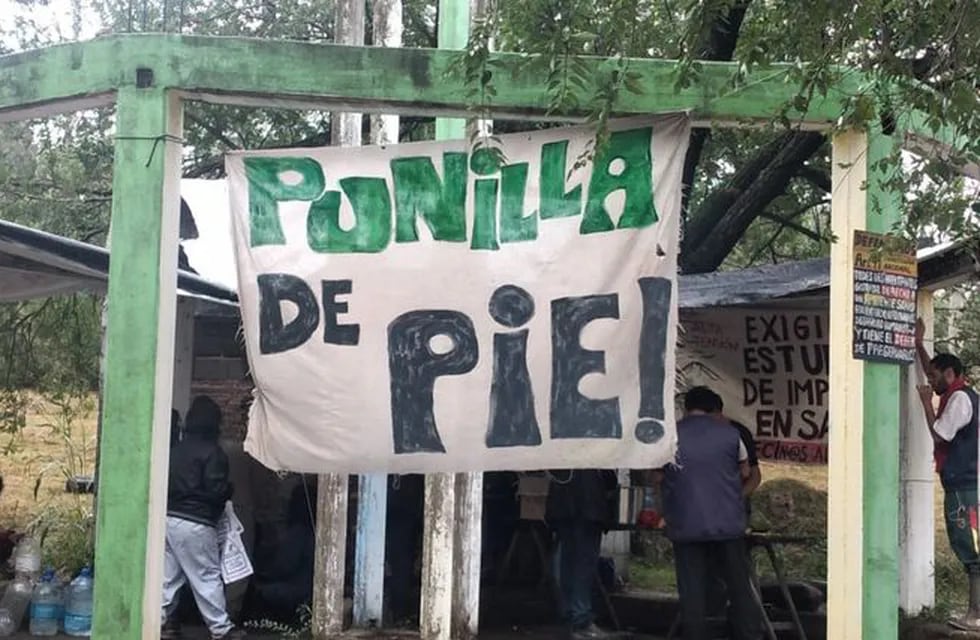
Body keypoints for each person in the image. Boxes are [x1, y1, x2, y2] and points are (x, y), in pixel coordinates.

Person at [658, 386, 761, 640]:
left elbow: (656, 476)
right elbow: (747, 474)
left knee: (692, 590)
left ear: (685, 408)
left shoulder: (669, 437)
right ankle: (749, 635)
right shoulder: (732, 434)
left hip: (686, 524)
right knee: (738, 585)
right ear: (715, 409)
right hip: (727, 524)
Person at [914, 319, 980, 630]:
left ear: (950, 375)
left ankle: (975, 614)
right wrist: (918, 345)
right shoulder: (958, 393)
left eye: (935, 377)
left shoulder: (959, 400)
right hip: (963, 482)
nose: (931, 381)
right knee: (967, 545)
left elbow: (940, 436)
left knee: (970, 549)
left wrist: (927, 403)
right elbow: (935, 370)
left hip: (965, 485)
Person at [161, 396, 244, 640]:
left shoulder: (175, 451)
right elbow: (216, 492)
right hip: (197, 522)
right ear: (214, 423)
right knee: (207, 576)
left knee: (169, 577)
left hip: (168, 519)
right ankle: (222, 629)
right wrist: (229, 491)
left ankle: (162, 623)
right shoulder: (214, 453)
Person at [546, 468, 618, 639]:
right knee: (583, 564)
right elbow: (609, 478)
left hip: (562, 503)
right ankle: (581, 618)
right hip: (588, 504)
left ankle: (569, 612)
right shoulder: (597, 445)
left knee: (568, 560)